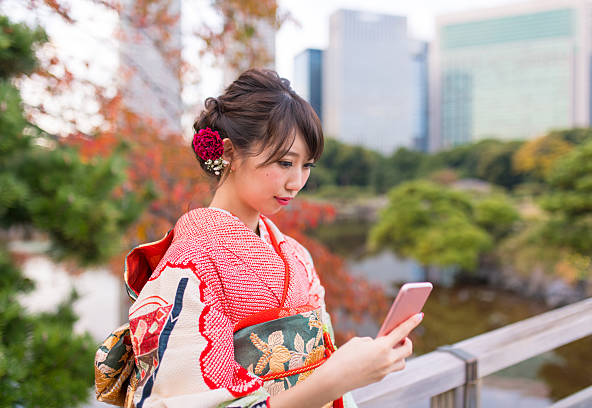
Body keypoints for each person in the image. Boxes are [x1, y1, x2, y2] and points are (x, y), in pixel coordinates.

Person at [108, 69, 423, 408]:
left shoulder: (297, 255)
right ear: (228, 152)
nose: (296, 182)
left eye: (307, 166)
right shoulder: (187, 265)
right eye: (286, 162)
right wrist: (337, 378)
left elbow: (322, 364)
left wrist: (361, 367)